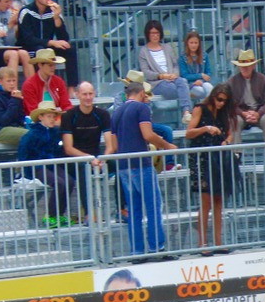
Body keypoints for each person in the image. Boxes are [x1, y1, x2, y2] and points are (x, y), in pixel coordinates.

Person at [110, 81, 178, 257]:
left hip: (124, 164)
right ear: (141, 93)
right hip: (141, 163)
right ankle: (157, 247)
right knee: (153, 205)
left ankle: (137, 251)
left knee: (134, 210)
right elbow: (147, 134)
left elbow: (115, 144)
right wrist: (167, 145)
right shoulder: (142, 109)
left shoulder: (116, 112)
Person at [186, 83, 238, 252]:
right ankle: (203, 243)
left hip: (218, 157)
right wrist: (206, 128)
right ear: (213, 95)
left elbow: (230, 132)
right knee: (205, 201)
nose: (221, 103)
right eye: (219, 99)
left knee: (218, 201)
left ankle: (218, 242)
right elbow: (189, 132)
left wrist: (227, 141)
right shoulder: (200, 109)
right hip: (201, 158)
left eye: (225, 101)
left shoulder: (224, 113)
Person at [61, 81, 113, 221]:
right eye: (84, 94)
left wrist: (104, 158)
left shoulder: (102, 114)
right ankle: (89, 213)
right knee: (84, 170)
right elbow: (68, 148)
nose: (88, 97)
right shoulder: (69, 116)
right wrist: (90, 159)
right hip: (76, 159)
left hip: (97, 157)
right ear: (77, 95)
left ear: (95, 94)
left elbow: (110, 145)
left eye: (90, 94)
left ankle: (122, 208)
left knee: (122, 165)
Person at [17, 0, 79, 92]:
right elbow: (28, 39)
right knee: (40, 51)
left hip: (47, 46)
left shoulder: (53, 11)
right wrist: (51, 42)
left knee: (69, 49)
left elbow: (64, 38)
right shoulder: (26, 11)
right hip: (29, 48)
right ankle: (41, 88)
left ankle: (71, 89)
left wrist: (56, 18)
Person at [18, 104, 72, 228]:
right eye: (49, 116)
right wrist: (27, 172)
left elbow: (57, 150)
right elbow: (23, 152)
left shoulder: (55, 132)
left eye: (54, 116)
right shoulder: (32, 134)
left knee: (69, 181)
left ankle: (59, 214)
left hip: (51, 164)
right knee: (59, 183)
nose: (52, 119)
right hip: (36, 166)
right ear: (41, 117)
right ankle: (50, 215)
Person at [138, 19, 192, 125]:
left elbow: (175, 64)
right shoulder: (143, 51)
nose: (155, 35)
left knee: (182, 81)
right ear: (148, 34)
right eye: (152, 33)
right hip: (157, 83)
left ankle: (186, 112)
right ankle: (188, 98)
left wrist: (174, 74)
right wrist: (161, 76)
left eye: (157, 33)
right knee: (179, 89)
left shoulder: (167, 47)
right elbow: (146, 72)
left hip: (172, 78)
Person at [228, 49, 265, 145]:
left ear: (253, 65)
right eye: (242, 66)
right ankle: (236, 155)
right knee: (235, 121)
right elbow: (230, 103)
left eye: (247, 66)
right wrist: (243, 113)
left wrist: (258, 113)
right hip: (241, 113)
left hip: (259, 112)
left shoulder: (263, 80)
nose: (244, 69)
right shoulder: (232, 82)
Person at [22, 48, 72, 115]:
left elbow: (66, 105)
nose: (53, 68)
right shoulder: (29, 85)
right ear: (40, 65)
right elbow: (33, 111)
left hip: (58, 119)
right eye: (50, 65)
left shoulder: (59, 81)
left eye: (54, 65)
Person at [0, 68, 27, 147]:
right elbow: (4, 121)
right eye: (8, 81)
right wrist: (15, 100)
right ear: (0, 81)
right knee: (30, 135)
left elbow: (20, 118)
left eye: (14, 81)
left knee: (39, 132)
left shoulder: (15, 96)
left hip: (15, 126)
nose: (12, 84)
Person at [179, 30, 213, 102]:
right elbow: (184, 75)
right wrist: (200, 75)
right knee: (201, 92)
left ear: (199, 44)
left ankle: (210, 111)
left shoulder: (204, 55)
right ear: (187, 43)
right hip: (190, 84)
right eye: (191, 43)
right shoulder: (183, 57)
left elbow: (208, 73)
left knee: (210, 88)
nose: (193, 45)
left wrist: (201, 80)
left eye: (196, 43)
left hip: (203, 82)